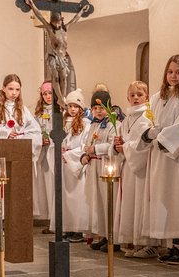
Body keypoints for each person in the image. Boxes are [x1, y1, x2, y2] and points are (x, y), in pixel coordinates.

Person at [140, 54, 179, 264]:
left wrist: (164, 139)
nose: (173, 76)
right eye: (170, 72)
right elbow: (147, 119)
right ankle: (171, 245)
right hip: (159, 156)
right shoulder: (157, 97)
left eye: (178, 72)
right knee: (165, 199)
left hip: (178, 155)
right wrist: (148, 133)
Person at [114, 81, 156, 258]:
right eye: (132, 95)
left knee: (141, 203)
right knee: (130, 203)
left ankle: (148, 244)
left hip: (141, 168)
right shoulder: (128, 119)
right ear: (127, 98)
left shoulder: (148, 117)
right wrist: (119, 145)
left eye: (139, 95)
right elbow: (126, 140)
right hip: (129, 166)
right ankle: (134, 241)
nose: (136, 98)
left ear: (147, 97)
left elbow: (146, 143)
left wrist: (126, 147)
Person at [25, 0, 90, 109]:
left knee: (64, 78)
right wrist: (32, 5)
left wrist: (81, 11)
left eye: (58, 22)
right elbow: (40, 16)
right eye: (54, 23)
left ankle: (62, 98)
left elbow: (74, 19)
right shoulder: (50, 29)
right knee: (55, 77)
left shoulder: (65, 29)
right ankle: (60, 98)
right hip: (53, 57)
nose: (56, 25)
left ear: (61, 21)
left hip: (62, 57)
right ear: (52, 22)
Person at [50, 89, 90, 241]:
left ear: (81, 108)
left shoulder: (85, 124)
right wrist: (57, 150)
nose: (72, 109)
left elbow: (85, 145)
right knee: (64, 198)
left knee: (77, 198)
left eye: (76, 106)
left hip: (76, 165)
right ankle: (67, 227)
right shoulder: (60, 122)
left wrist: (68, 154)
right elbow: (54, 142)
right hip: (63, 165)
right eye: (70, 106)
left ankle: (78, 229)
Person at [80, 90, 117, 251]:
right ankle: (104, 235)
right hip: (93, 166)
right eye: (95, 108)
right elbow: (87, 143)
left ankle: (113, 237)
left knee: (108, 201)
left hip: (105, 165)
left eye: (101, 108)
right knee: (97, 204)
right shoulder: (93, 125)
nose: (98, 111)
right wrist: (85, 155)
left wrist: (95, 149)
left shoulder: (113, 124)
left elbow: (112, 145)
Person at [33, 81, 54, 223]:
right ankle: (48, 218)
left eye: (50, 93)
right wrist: (40, 139)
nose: (48, 96)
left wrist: (51, 140)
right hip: (44, 152)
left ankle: (56, 218)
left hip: (55, 152)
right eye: (45, 94)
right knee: (45, 185)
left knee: (54, 185)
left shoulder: (61, 111)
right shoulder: (39, 113)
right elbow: (35, 130)